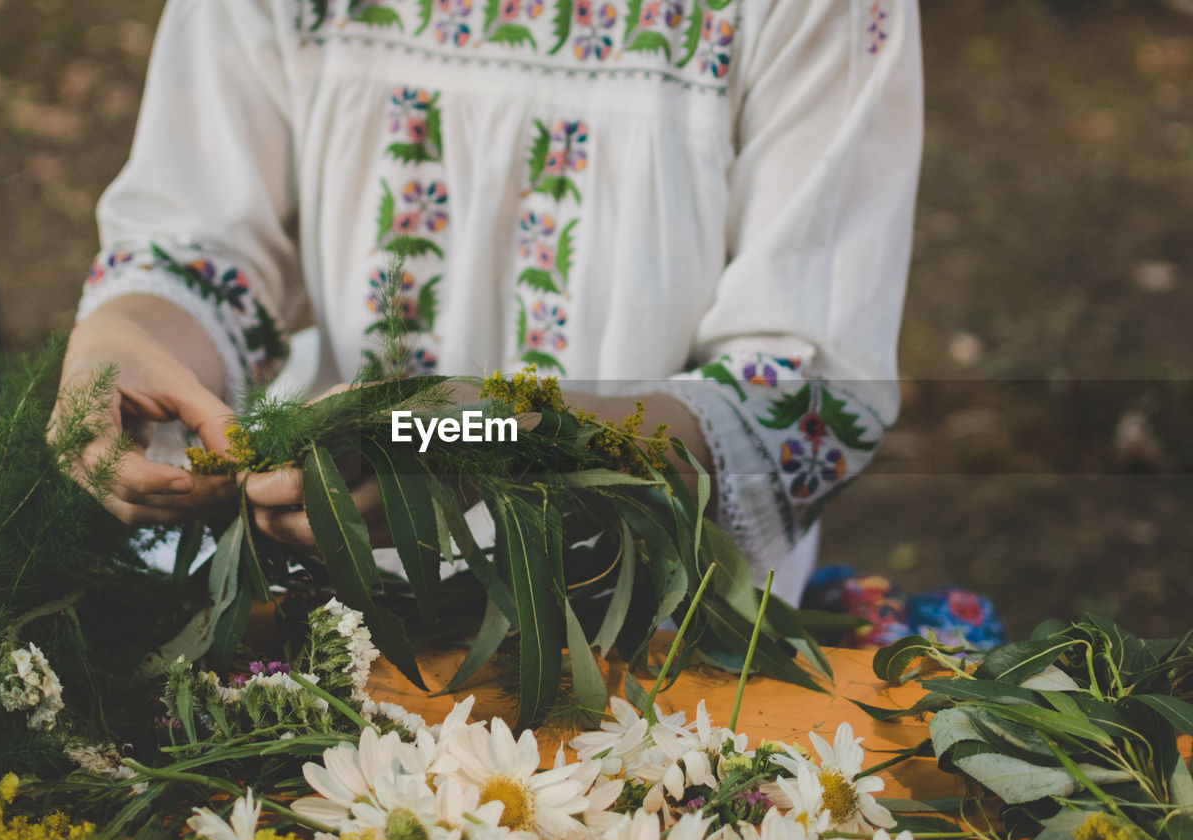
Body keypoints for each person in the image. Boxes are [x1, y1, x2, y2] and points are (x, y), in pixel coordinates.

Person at [56, 0, 922, 606]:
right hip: (310, 596)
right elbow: (204, 241)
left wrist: (504, 437)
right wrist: (124, 329)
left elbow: (804, 400)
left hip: (647, 638)